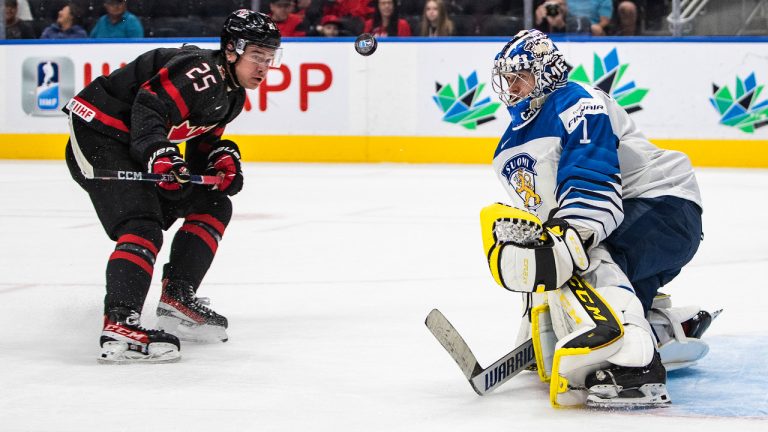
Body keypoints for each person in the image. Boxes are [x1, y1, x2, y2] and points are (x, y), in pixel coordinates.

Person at [482, 29, 713, 408]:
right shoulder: (508, 147)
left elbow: (592, 179)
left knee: (586, 258)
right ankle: (665, 329)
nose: (512, 86)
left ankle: (636, 370)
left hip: (664, 207)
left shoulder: (577, 101)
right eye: (508, 79)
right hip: (636, 220)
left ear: (546, 72)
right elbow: (547, 221)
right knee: (571, 261)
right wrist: (538, 312)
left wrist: (571, 236)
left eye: (520, 76)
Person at [63, 9, 282, 363]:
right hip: (99, 134)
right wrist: (161, 155)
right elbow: (149, 110)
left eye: (270, 58)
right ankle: (119, 321)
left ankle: (177, 296)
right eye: (257, 55)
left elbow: (199, 151)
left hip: (138, 147)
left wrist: (221, 158)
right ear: (231, 50)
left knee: (212, 204)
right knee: (142, 225)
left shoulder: (233, 95)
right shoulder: (198, 71)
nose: (263, 67)